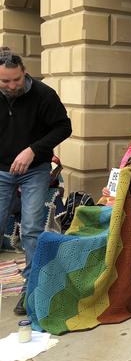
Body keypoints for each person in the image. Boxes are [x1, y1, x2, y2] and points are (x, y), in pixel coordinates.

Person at [0, 47, 72, 316]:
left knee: (31, 227)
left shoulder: (43, 94)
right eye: (5, 81)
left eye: (16, 80)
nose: (11, 86)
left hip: (35, 169)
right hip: (1, 169)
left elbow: (64, 127)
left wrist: (33, 150)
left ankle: (30, 287)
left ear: (24, 72)